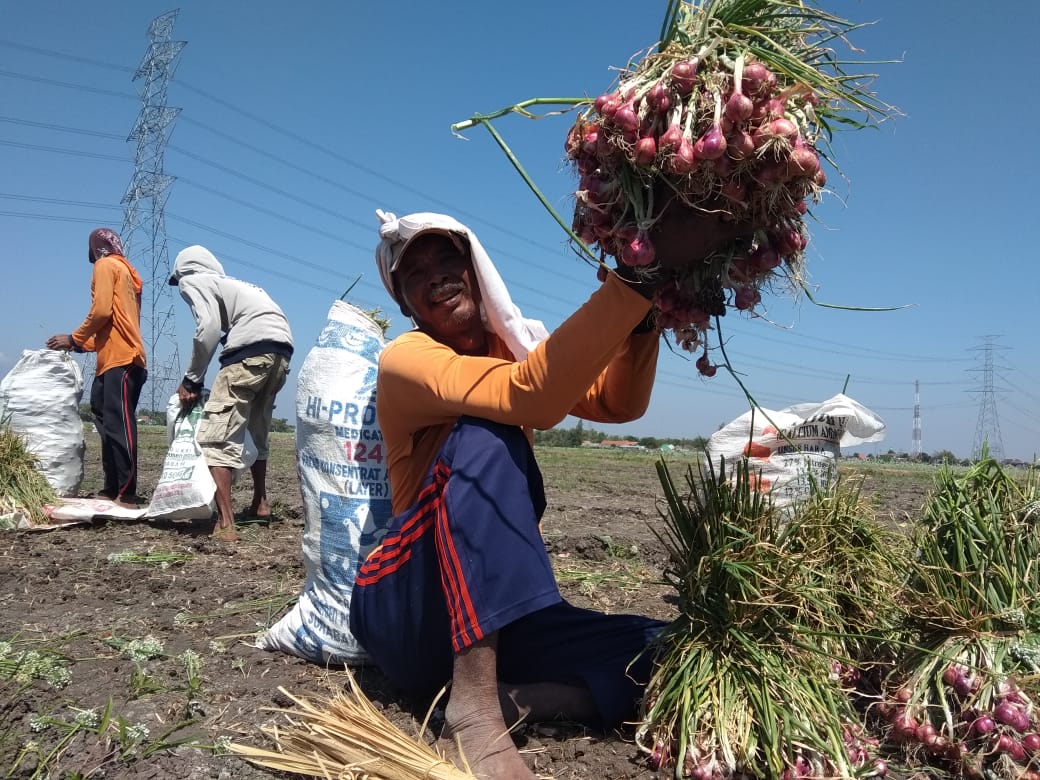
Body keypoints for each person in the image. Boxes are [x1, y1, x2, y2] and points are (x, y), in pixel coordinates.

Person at [349, 207, 749, 780]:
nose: (436, 276)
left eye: (448, 259)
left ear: (475, 271)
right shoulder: (407, 360)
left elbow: (616, 402)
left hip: (495, 619)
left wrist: (643, 320)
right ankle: (474, 711)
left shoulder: (513, 346)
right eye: (415, 273)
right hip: (409, 605)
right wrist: (635, 279)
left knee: (672, 648)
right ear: (405, 301)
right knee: (488, 432)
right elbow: (527, 399)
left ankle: (533, 699)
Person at [167, 245, 293, 542]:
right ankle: (260, 503)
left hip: (249, 352)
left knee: (217, 436)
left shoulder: (193, 280)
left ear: (184, 271)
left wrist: (192, 380)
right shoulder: (237, 285)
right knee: (257, 431)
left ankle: (225, 523)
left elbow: (207, 328)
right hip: (281, 352)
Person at [47, 227, 148, 509]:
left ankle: (127, 492)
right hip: (112, 358)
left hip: (123, 359)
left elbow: (101, 311)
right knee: (105, 423)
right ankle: (111, 486)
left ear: (95, 248)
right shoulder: (128, 274)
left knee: (120, 424)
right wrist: (80, 345)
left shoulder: (106, 265)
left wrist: (74, 337)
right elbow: (113, 324)